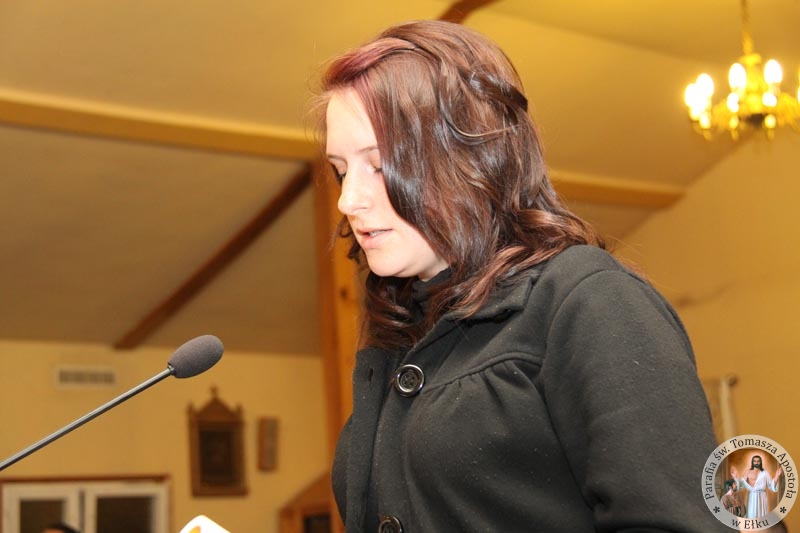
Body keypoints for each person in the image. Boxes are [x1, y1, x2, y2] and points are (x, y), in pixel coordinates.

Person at [315, 19, 726, 532]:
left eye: (378, 165)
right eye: (341, 170)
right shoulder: (401, 332)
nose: (347, 199)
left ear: (470, 157)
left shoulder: (586, 301)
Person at [732, 454, 783, 518]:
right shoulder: (747, 472)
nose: (756, 462)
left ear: (760, 462)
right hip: (751, 496)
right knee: (751, 515)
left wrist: (777, 476)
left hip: (761, 497)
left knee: (761, 516)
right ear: (752, 462)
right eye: (755, 461)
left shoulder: (765, 473)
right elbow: (741, 485)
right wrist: (735, 477)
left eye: (758, 461)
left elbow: (771, 485)